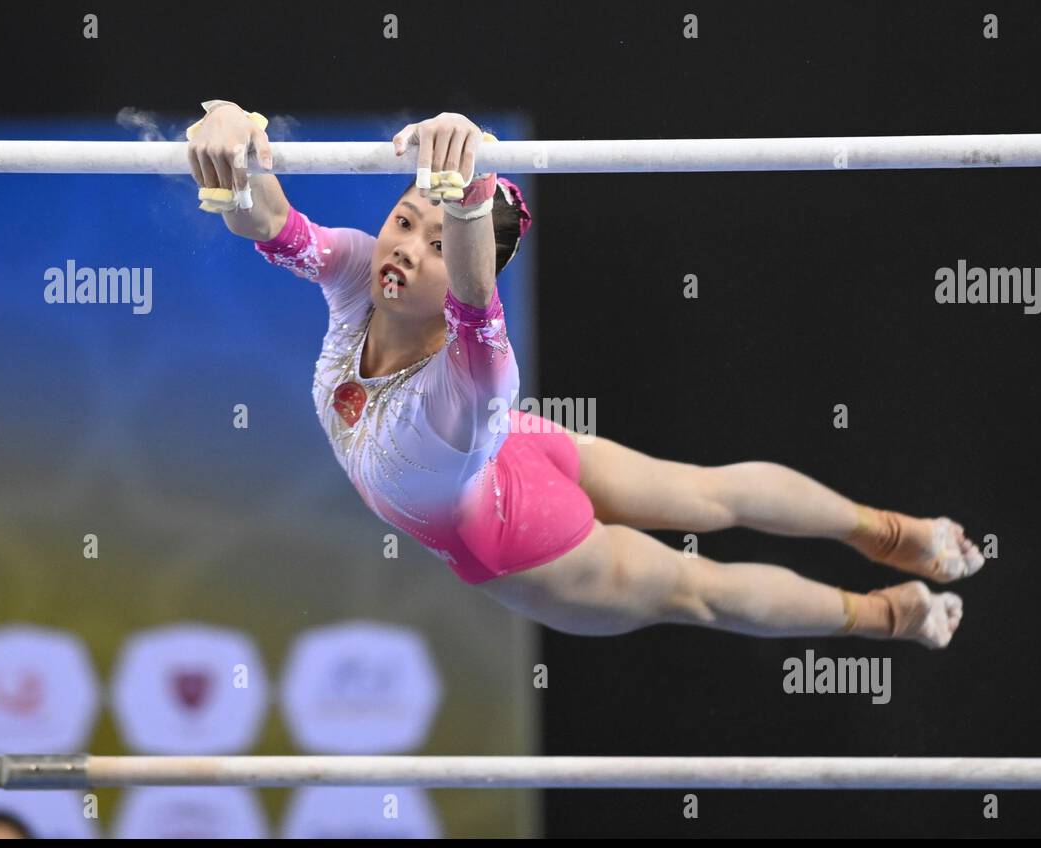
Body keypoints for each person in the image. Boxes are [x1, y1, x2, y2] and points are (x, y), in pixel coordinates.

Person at [186, 104, 984, 649]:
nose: (405, 247)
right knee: (704, 497)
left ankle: (887, 579)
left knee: (701, 583)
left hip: (528, 542)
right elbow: (267, 220)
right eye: (403, 220)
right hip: (515, 460)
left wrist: (466, 188)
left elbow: (472, 291)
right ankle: (894, 593)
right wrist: (229, 134)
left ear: (471, 266)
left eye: (437, 241)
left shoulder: (478, 372)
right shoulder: (359, 270)